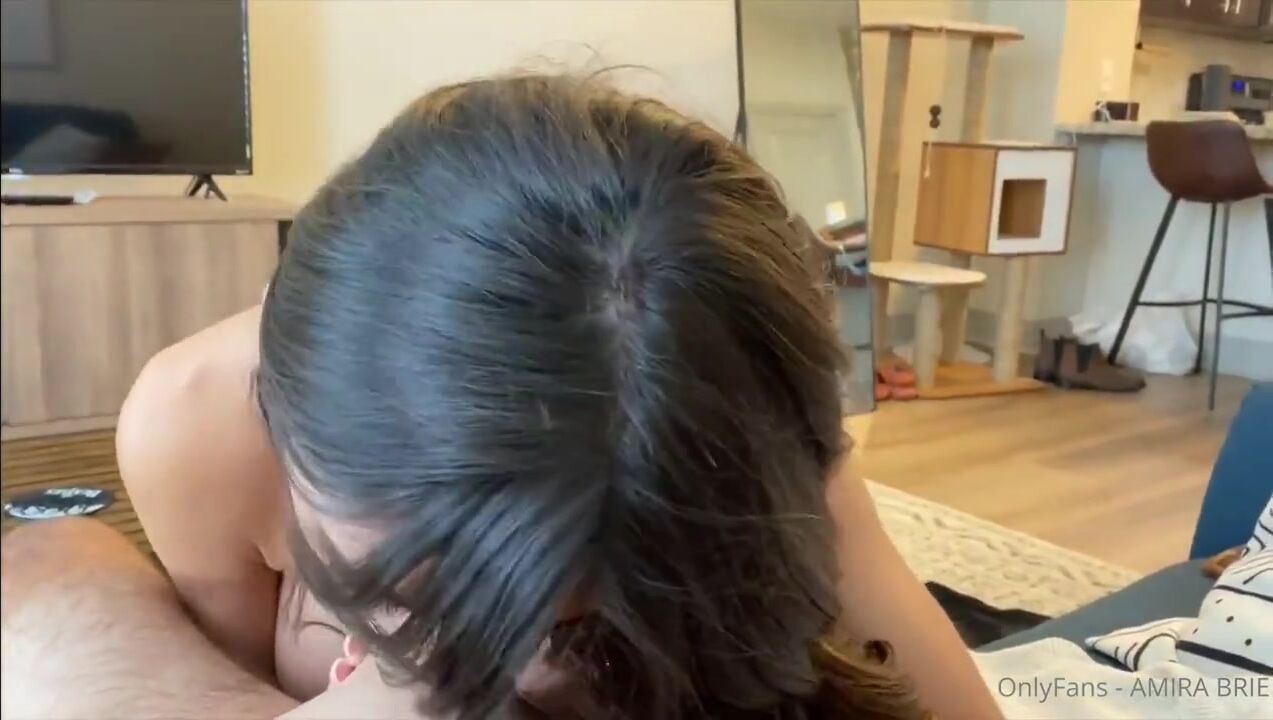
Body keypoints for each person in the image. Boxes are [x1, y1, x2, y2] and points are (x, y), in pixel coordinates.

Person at [2, 74, 1000, 719]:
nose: (516, 669)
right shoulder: (193, 423)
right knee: (52, 566)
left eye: (568, 620)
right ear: (287, 423)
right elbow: (238, 679)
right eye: (402, 602)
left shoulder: (716, 414)